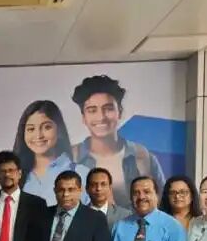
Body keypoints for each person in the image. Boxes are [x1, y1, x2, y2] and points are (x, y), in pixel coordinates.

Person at [71, 74, 166, 207]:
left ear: (120, 112)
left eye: (108, 109)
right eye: (92, 110)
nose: (101, 117)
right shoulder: (71, 159)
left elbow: (162, 204)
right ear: (83, 117)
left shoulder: (143, 157)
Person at [12, 100, 90, 207]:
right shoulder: (16, 177)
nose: (38, 135)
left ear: (59, 130)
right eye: (31, 129)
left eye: (47, 127)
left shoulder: (82, 174)